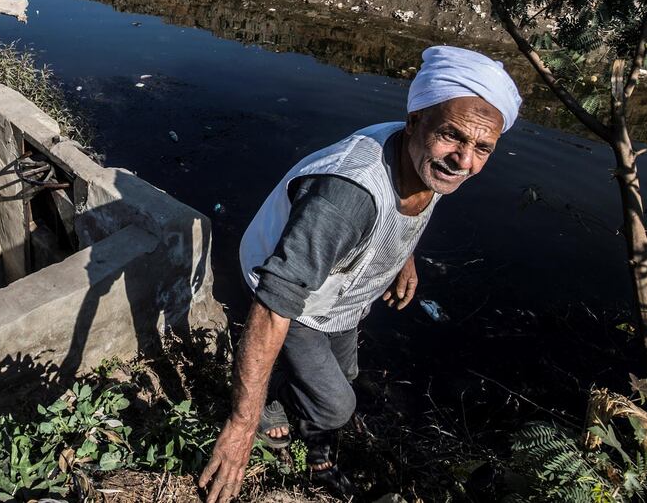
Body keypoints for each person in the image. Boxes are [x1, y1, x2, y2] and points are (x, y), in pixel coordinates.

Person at [199, 45, 522, 502]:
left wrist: (402, 256)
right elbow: (275, 304)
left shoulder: (429, 161)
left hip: (343, 290)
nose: (464, 160)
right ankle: (275, 412)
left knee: (345, 371)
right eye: (453, 136)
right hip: (293, 294)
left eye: (482, 147)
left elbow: (410, 206)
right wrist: (240, 425)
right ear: (414, 121)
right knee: (337, 404)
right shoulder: (345, 199)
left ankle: (305, 416)